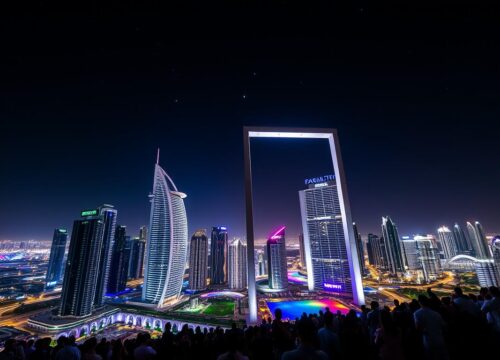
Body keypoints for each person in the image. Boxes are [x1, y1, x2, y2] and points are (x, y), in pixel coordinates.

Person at [413, 295, 448, 360]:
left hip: (429, 341)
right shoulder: (436, 314)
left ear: (419, 302)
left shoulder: (417, 313)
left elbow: (418, 329)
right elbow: (444, 326)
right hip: (440, 340)